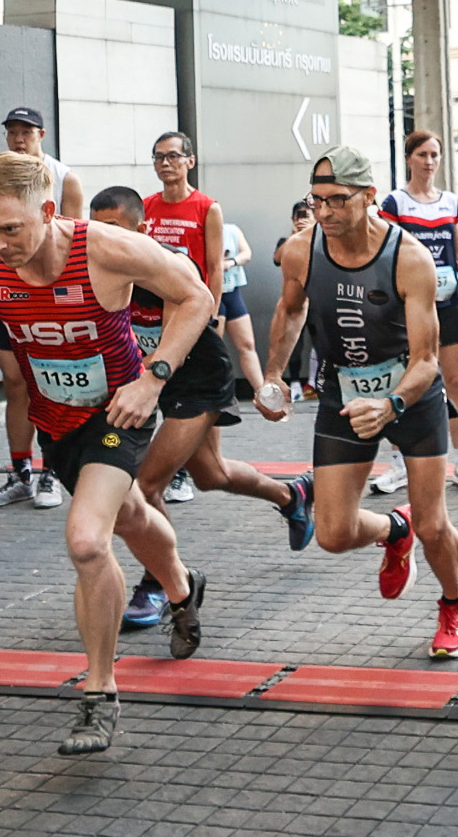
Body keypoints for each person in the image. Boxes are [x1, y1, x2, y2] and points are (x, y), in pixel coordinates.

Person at [0, 152, 214, 755]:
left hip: (119, 413)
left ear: (49, 211)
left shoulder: (107, 249)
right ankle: (182, 588)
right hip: (55, 423)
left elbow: (195, 296)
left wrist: (154, 377)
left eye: (12, 228)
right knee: (131, 515)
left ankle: (99, 692)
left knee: (88, 539)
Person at [258, 144, 458, 663]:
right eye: (317, 201)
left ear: (370, 197)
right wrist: (273, 376)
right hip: (343, 390)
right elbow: (290, 312)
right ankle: (394, 529)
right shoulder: (301, 250)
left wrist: (392, 405)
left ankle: (455, 607)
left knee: (435, 523)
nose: (325, 213)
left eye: (338, 200)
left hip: (411, 395)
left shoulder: (409, 257)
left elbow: (427, 360)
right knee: (332, 534)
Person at [88, 186, 313, 629]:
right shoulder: (97, 269)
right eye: (97, 229)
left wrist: (135, 381)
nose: (105, 239)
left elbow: (174, 335)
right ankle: (293, 495)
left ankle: (159, 581)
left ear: (143, 229)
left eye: (114, 229)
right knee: (212, 474)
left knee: (146, 484)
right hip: (151, 382)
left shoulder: (167, 264)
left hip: (195, 380)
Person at [0, 107, 80, 511]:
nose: (18, 139)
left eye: (25, 132)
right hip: (7, 293)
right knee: (16, 384)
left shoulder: (64, 177)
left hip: (52, 298)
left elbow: (73, 241)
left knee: (51, 385)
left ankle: (51, 471)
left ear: (41, 134)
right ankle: (21, 473)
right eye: (11, 132)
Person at [377, 130, 458, 494]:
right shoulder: (395, 203)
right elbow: (387, 254)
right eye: (422, 154)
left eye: (435, 154)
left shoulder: (452, 203)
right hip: (409, 304)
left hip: (450, 301)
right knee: (402, 381)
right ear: (409, 158)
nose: (429, 161)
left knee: (455, 381)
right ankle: (397, 465)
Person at [145, 131, 226, 504]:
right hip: (150, 321)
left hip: (191, 317)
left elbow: (213, 266)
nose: (166, 163)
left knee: (195, 399)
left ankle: (183, 470)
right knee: (165, 390)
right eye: (159, 157)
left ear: (190, 162)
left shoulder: (207, 207)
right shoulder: (145, 206)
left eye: (174, 156)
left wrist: (210, 314)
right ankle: (178, 467)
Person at [217, 215, 264, 395]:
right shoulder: (200, 232)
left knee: (247, 344)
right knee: (216, 347)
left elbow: (247, 253)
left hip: (232, 291)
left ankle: (261, 392)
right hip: (213, 295)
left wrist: (230, 262)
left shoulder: (232, 230)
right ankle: (218, 392)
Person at [275, 199, 315, 401]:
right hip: (295, 295)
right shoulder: (287, 240)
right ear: (293, 219)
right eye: (299, 215)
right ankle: (295, 382)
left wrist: (310, 232)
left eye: (306, 214)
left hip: (317, 295)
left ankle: (317, 383)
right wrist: (295, 236)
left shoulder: (319, 237)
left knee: (322, 340)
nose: (302, 219)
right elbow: (277, 259)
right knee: (294, 340)